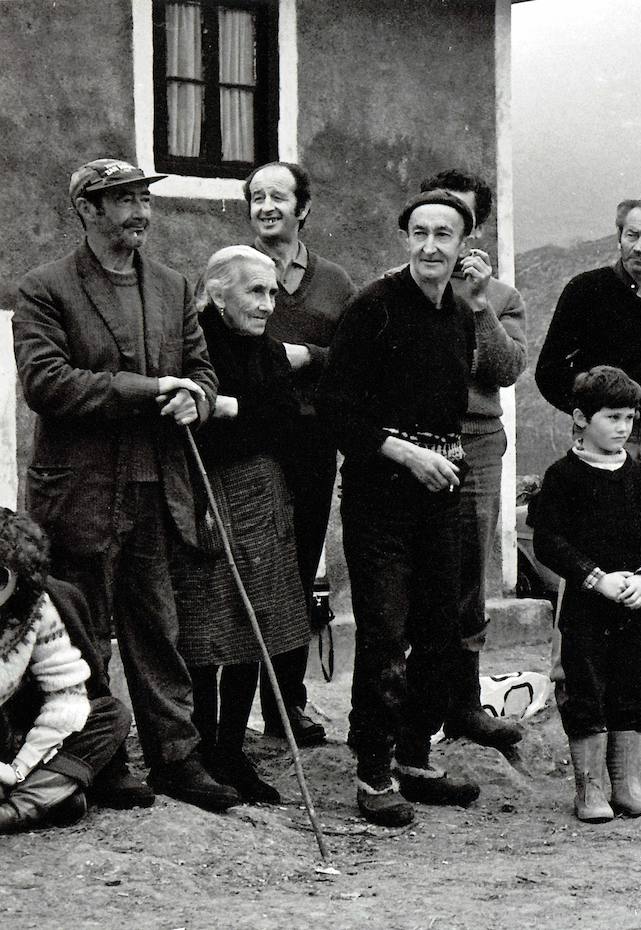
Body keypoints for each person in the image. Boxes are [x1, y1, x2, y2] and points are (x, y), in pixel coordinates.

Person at [14, 158, 236, 812]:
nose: (140, 210)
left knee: (156, 628)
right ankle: (100, 759)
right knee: (85, 632)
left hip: (155, 487)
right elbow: (46, 384)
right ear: (87, 208)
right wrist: (147, 390)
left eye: (144, 198)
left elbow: (202, 372)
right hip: (78, 491)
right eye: (123, 200)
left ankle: (176, 758)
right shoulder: (45, 288)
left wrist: (196, 397)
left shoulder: (172, 286)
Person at [316, 190, 482, 826]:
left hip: (441, 492)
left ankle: (416, 756)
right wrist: (405, 454)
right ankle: (374, 771)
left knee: (440, 627)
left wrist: (442, 460)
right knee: (385, 633)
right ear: (405, 238)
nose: (431, 246)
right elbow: (336, 409)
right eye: (419, 233)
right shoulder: (373, 309)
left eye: (444, 234)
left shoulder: (460, 317)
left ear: (463, 243)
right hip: (379, 494)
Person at [534, 197, 641, 716]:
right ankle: (571, 672)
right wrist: (591, 414)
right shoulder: (584, 291)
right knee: (584, 548)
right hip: (595, 443)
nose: (639, 246)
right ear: (618, 236)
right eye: (631, 235)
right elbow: (548, 371)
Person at [169, 247, 313, 804]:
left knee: (257, 626)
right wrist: (233, 411)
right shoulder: (194, 345)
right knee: (207, 628)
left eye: (274, 293)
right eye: (257, 292)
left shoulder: (269, 351)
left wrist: (233, 409)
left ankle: (234, 750)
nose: (267, 304)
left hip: (263, 497)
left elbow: (286, 422)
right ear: (216, 293)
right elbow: (198, 425)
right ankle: (203, 752)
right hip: (206, 492)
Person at [527, 367, 641, 822]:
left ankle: (628, 786)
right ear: (580, 417)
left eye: (629, 418)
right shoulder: (562, 477)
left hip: (633, 607)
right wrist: (595, 577)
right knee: (585, 689)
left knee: (630, 688)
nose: (622, 427)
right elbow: (547, 541)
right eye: (612, 417)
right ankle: (590, 792)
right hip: (586, 609)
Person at [411, 169, 528, 750]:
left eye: (457, 214)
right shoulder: (400, 289)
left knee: (467, 573)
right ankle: (411, 707)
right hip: (414, 440)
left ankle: (462, 704)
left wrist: (479, 306)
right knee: (412, 570)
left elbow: (505, 373)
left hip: (477, 443)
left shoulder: (501, 297)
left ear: (472, 228)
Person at [244, 160, 355, 749]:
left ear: (302, 209)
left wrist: (308, 355)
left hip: (313, 446)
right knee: (251, 571)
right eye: (257, 197)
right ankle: (233, 718)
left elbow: (358, 359)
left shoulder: (335, 282)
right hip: (250, 445)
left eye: (278, 197)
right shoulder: (236, 274)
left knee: (295, 574)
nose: (267, 206)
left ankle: (289, 705)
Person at [0, 510, 133, 833]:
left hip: (11, 747)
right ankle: (48, 799)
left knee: (110, 716)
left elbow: (66, 695)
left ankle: (18, 805)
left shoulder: (34, 607)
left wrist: (18, 769)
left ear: (20, 577)